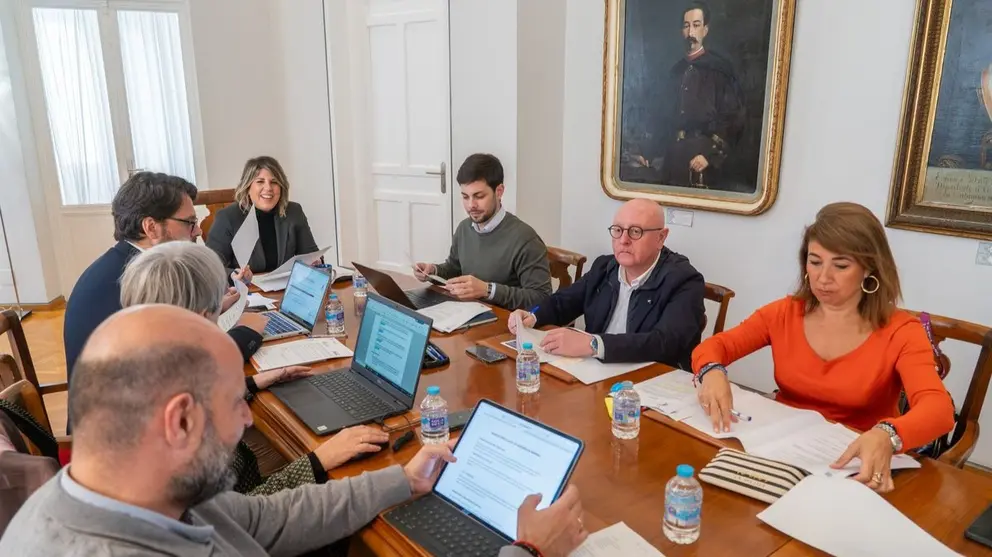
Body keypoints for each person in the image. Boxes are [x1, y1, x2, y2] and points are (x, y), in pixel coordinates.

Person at [0, 305, 588, 556]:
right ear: (180, 420)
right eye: (237, 404)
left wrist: (403, 482)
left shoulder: (144, 494)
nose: (251, 420)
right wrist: (529, 548)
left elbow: (263, 518)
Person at [693, 202, 955, 493]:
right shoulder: (784, 313)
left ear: (870, 267)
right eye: (815, 261)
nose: (823, 277)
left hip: (855, 461)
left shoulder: (902, 331)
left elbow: (938, 409)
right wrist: (712, 371)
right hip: (778, 452)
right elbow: (717, 346)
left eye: (841, 265)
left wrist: (888, 434)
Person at [119, 241, 388, 495]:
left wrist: (252, 384)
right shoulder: (180, 415)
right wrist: (318, 460)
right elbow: (241, 518)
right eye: (217, 311)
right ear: (200, 320)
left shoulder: (141, 367)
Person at [62, 173, 258, 432]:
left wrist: (210, 310)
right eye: (189, 222)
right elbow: (192, 367)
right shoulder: (136, 279)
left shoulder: (122, 264)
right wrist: (248, 332)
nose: (198, 230)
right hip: (124, 441)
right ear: (151, 228)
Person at [508, 199, 705, 368]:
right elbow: (564, 302)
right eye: (618, 230)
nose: (624, 240)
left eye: (635, 232)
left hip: (650, 381)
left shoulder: (685, 281)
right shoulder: (605, 267)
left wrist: (594, 344)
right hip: (596, 372)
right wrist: (533, 316)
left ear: (661, 237)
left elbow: (664, 343)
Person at [414, 154, 552, 310]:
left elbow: (542, 298)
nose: (471, 205)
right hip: (467, 314)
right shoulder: (464, 228)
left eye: (479, 196)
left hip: (504, 324)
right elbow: (455, 269)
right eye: (465, 197)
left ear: (499, 191)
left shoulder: (525, 239)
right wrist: (433, 271)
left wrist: (488, 290)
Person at [631, 1, 745, 189]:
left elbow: (734, 119)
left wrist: (709, 156)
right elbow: (662, 118)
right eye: (686, 26)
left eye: (696, 25)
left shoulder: (720, 70)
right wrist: (648, 152)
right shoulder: (675, 72)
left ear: (705, 30)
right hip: (672, 158)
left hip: (701, 159)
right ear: (681, 31)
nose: (691, 33)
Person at [206, 156, 319, 276]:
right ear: (248, 187)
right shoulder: (227, 217)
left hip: (284, 288)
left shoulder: (294, 211)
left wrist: (316, 262)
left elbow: (311, 254)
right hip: (246, 290)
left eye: (274, 182)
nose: (268, 188)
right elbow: (210, 266)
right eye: (260, 181)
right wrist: (234, 275)